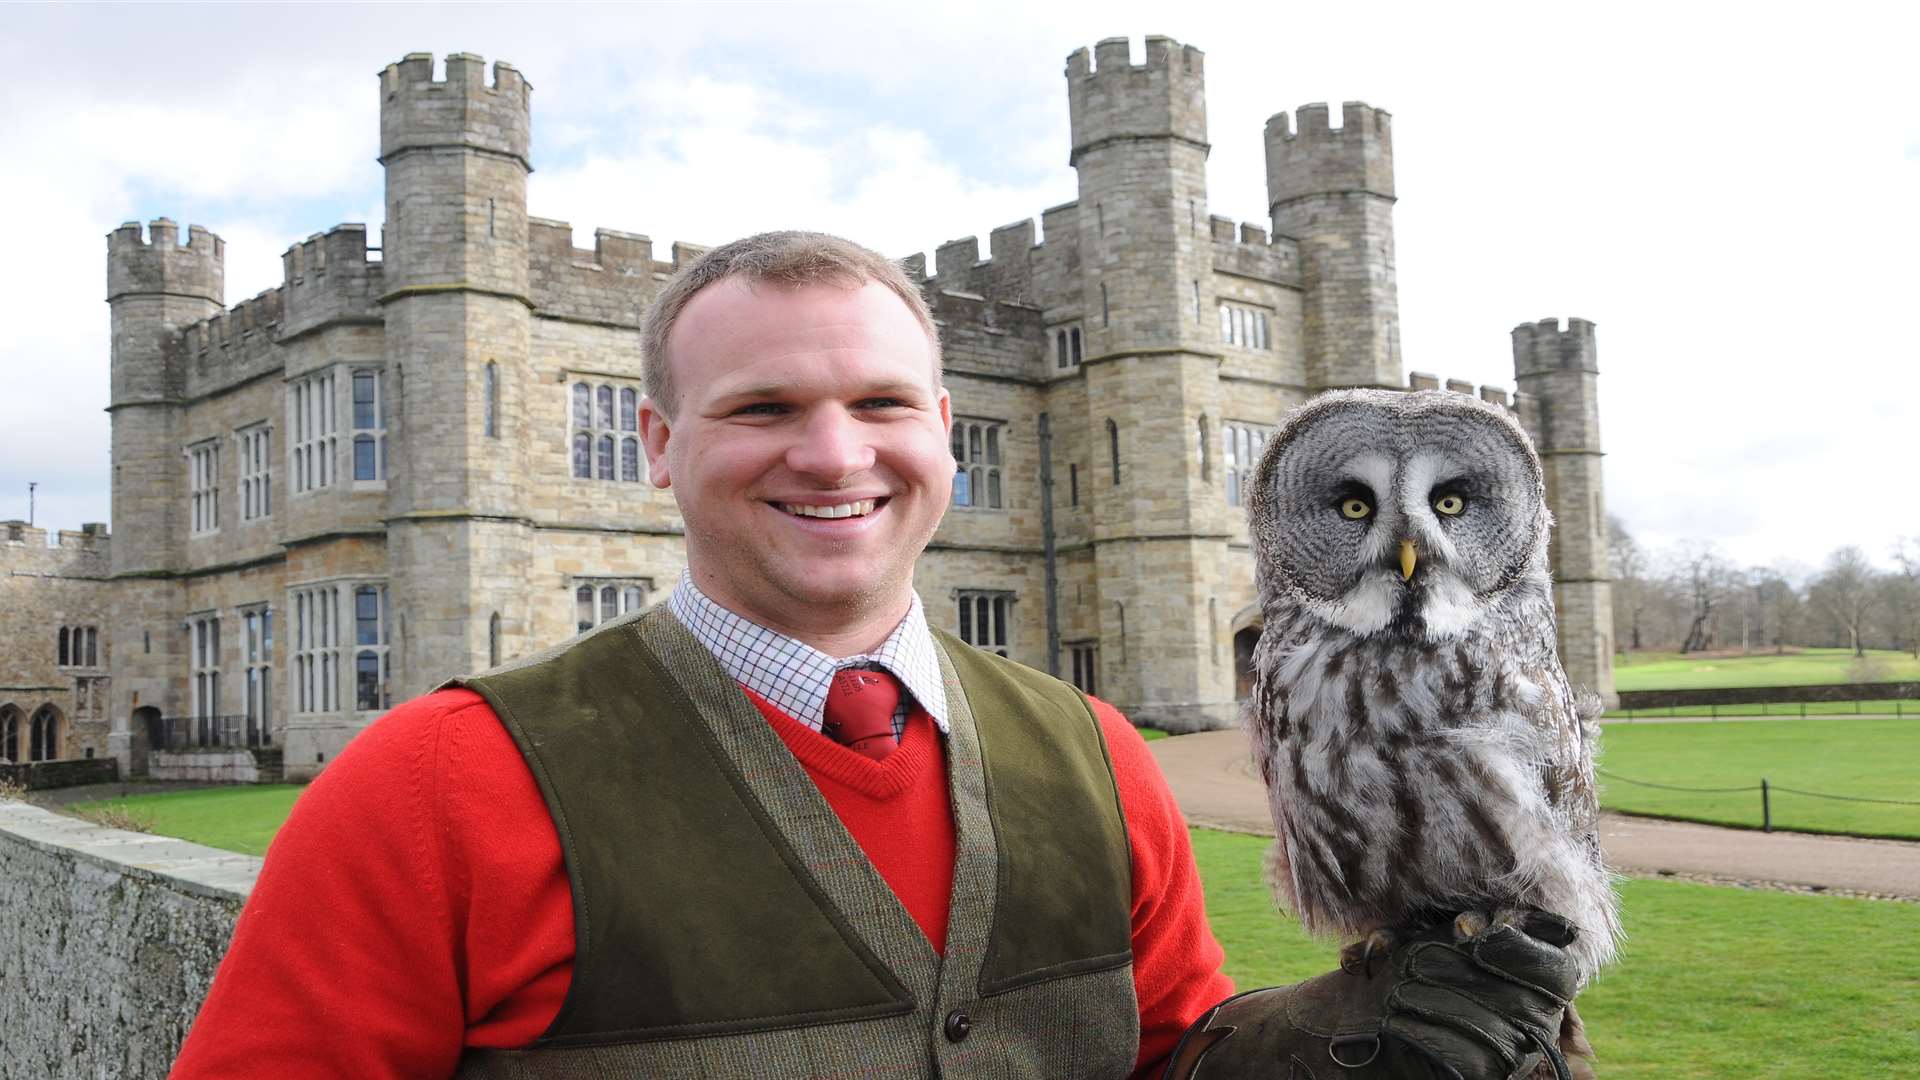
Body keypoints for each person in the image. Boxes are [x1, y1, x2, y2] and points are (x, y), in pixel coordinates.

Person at [171, 231, 1577, 1079]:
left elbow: (1169, 1059)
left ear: (945, 430)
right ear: (656, 444)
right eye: (764, 405)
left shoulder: (1098, 759)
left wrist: (1348, 1041)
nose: (835, 454)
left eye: (881, 403)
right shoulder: (430, 788)